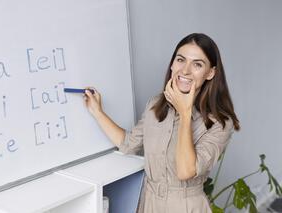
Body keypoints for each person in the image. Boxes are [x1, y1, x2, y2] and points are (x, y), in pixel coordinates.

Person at [83, 33, 240, 212]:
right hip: (149, 203)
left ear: (210, 73)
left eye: (197, 64)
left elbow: (185, 171)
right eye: (180, 60)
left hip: (186, 206)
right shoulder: (155, 105)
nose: (185, 70)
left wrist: (185, 111)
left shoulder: (220, 123)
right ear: (172, 64)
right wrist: (97, 111)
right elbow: (128, 144)